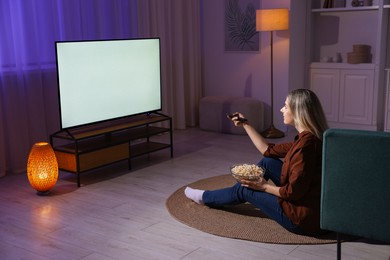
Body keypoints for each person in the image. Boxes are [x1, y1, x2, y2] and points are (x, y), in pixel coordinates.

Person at [185, 89, 329, 235]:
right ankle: (234, 192)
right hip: (309, 202)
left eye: (285, 106)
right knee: (268, 161)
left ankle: (206, 197)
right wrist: (245, 124)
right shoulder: (310, 137)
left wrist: (263, 187)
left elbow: (293, 193)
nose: (281, 109)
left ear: (298, 112)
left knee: (245, 189)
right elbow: (268, 150)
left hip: (300, 218)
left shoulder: (305, 147)